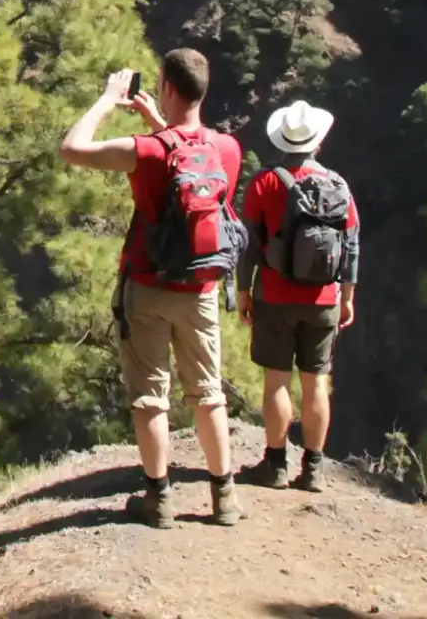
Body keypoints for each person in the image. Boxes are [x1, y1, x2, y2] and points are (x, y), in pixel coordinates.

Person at [59, 49, 244, 528]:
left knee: (150, 396)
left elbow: (71, 148)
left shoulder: (143, 151)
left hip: (148, 284)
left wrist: (107, 99)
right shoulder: (227, 149)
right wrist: (159, 119)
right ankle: (224, 497)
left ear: (165, 86)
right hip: (201, 287)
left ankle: (158, 500)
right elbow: (187, 155)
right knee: (207, 392)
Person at [235, 100, 359, 494]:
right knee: (317, 382)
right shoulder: (339, 185)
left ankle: (275, 465)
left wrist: (243, 290)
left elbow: (249, 245)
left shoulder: (263, 183)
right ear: (317, 141)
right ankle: (314, 470)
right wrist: (347, 298)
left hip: (274, 295)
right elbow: (351, 248)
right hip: (323, 298)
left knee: (277, 382)